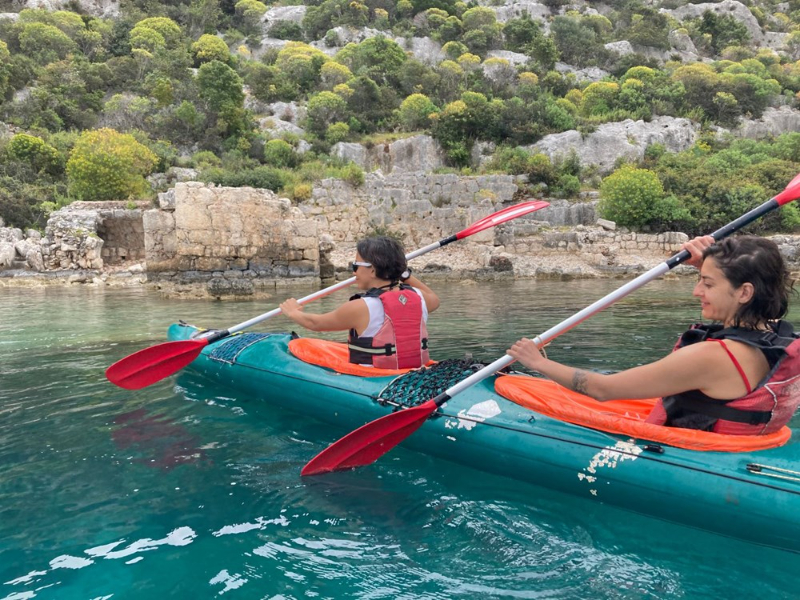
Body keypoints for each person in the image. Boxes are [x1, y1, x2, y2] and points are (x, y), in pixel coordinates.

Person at [507, 235, 800, 435]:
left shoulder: (711, 357)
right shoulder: (774, 332)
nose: (697, 291)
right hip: (741, 446)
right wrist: (710, 265)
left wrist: (537, 362)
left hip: (691, 457)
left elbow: (602, 389)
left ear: (745, 292)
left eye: (707, 284)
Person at [280, 236, 440, 369]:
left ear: (372, 270)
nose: (353, 272)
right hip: (414, 373)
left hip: (374, 378)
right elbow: (434, 299)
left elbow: (315, 324)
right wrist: (402, 273)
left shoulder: (361, 307)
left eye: (356, 266)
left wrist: (293, 312)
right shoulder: (420, 298)